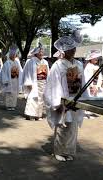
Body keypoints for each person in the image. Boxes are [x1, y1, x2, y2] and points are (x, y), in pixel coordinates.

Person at [44, 31, 85, 162]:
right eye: (70, 49)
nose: (73, 50)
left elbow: (83, 82)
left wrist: (84, 98)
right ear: (64, 50)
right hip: (63, 99)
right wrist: (57, 103)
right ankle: (59, 151)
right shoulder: (58, 65)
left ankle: (69, 150)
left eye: (74, 48)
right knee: (63, 125)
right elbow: (53, 85)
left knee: (73, 127)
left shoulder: (78, 64)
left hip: (76, 98)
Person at [22, 43, 49, 120]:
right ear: (36, 53)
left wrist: (48, 82)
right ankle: (29, 114)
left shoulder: (45, 62)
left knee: (41, 99)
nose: (41, 53)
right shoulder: (31, 61)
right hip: (34, 83)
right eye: (40, 52)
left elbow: (48, 73)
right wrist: (28, 82)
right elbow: (27, 72)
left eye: (42, 51)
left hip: (42, 83)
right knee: (32, 98)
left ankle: (38, 115)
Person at [0, 46, 22, 111]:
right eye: (13, 54)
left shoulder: (17, 62)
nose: (14, 56)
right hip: (9, 80)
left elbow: (20, 71)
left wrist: (19, 78)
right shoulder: (7, 63)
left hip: (15, 80)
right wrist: (5, 80)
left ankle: (13, 105)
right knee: (9, 93)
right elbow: (3, 72)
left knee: (14, 93)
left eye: (15, 55)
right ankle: (8, 106)